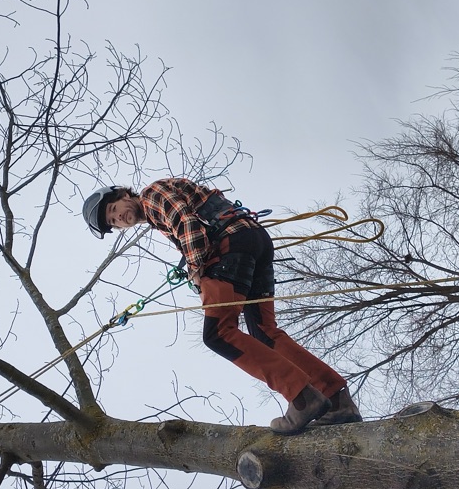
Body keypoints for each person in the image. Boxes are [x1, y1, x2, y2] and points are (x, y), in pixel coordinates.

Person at [83, 178, 362, 434]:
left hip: (232, 245)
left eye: (113, 209)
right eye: (113, 222)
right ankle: (338, 401)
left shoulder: (151, 196)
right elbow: (190, 226)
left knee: (218, 334)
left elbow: (187, 224)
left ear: (122, 195)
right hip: (253, 241)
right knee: (265, 333)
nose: (118, 218)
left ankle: (303, 397)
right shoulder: (156, 215)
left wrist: (195, 270)